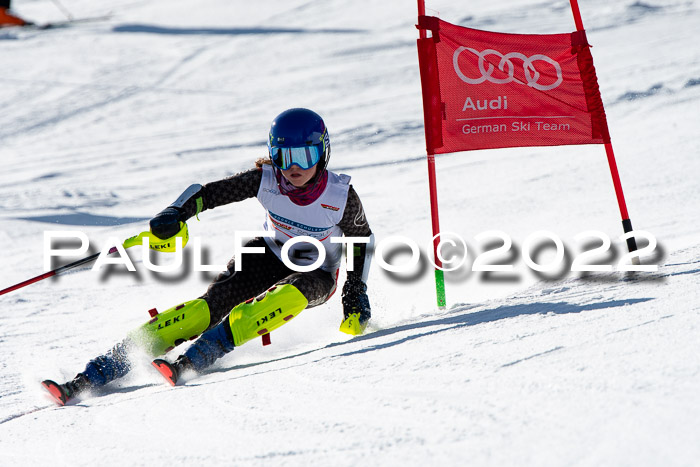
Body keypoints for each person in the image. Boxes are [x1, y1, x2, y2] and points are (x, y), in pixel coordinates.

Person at [42, 108, 374, 405]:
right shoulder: (266, 180)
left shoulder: (339, 194)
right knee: (205, 309)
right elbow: (208, 194)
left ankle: (198, 357)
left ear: (323, 152)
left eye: (305, 155)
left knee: (280, 299)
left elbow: (361, 240)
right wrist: (176, 212)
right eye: (285, 157)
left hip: (317, 272)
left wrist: (355, 288)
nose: (295, 167)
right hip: (267, 254)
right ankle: (96, 372)